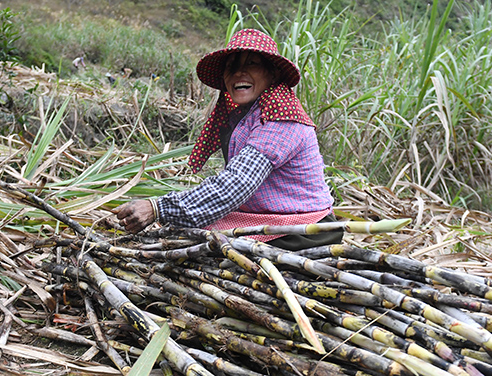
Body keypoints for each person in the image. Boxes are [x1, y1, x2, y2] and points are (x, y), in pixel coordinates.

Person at [113, 29, 343, 250]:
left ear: (272, 73)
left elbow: (236, 186)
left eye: (251, 63)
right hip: (264, 218)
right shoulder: (249, 115)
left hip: (304, 229)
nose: (239, 72)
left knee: (201, 247)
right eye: (232, 66)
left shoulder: (281, 118)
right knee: (182, 231)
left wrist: (156, 208)